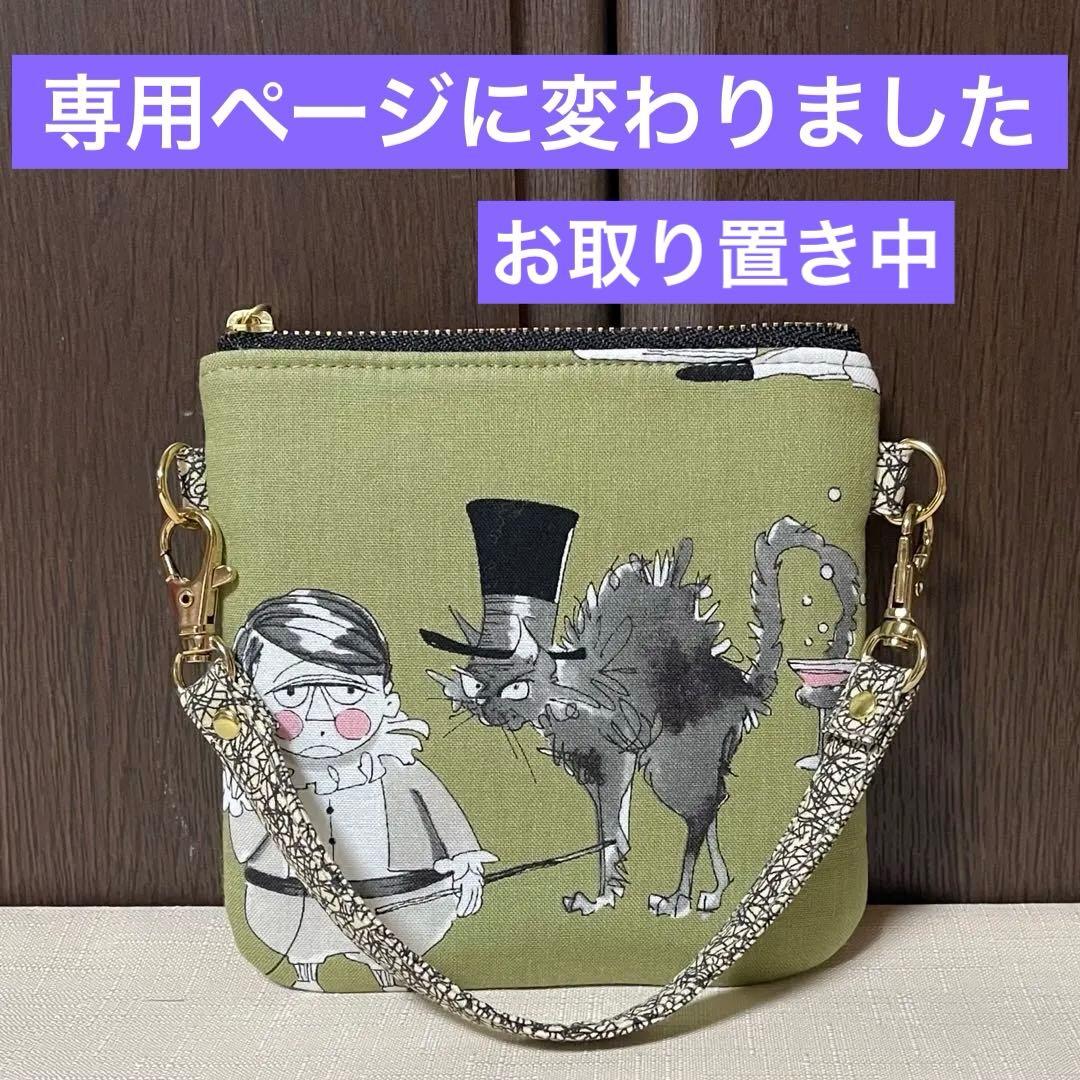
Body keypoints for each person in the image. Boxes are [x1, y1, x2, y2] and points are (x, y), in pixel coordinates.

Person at [225, 588, 494, 991]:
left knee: (399, 942)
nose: (320, 715)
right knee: (298, 938)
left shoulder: (395, 765)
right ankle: (305, 971)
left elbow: (443, 817)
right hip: (291, 899)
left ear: (384, 698)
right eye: (292, 693)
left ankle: (387, 970)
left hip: (401, 896)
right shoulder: (263, 774)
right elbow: (245, 845)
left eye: (348, 692)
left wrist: (466, 864)